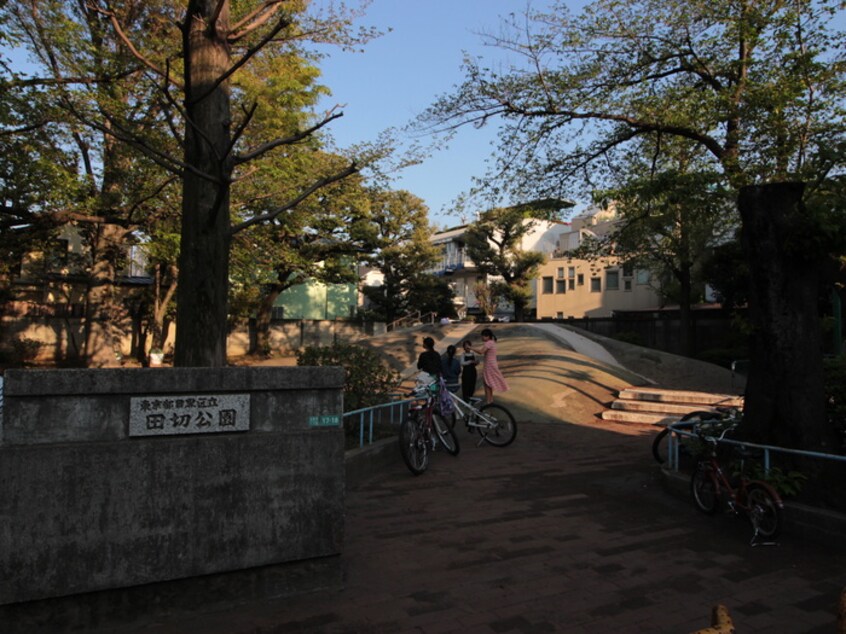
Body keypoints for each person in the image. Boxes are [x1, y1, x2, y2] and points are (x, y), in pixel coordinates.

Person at [471, 328, 508, 404]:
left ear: (487, 336)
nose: (482, 338)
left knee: (487, 383)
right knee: (488, 383)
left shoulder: (488, 343)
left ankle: (488, 401)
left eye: (483, 336)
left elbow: (481, 352)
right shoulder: (492, 342)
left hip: (489, 365)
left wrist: (471, 348)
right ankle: (490, 400)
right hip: (492, 364)